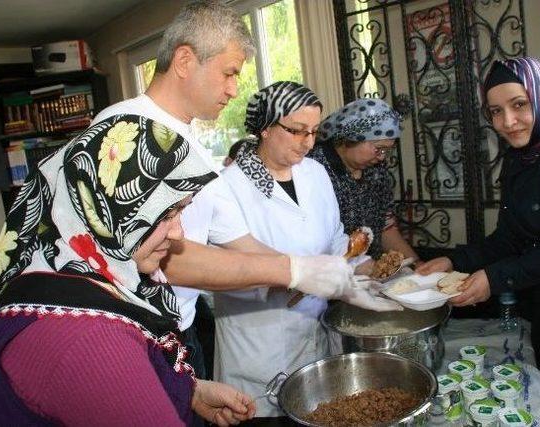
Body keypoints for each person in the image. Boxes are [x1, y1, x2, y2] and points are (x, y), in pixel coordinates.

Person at [92, 0, 361, 381]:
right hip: (135, 335)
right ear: (185, 61)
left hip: (176, 331)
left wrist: (314, 273)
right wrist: (294, 270)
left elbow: (236, 238)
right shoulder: (134, 133)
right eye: (229, 73)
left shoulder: (188, 146)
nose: (235, 89)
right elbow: (162, 259)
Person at [0, 114, 256, 426]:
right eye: (164, 215)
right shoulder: (89, 341)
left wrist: (191, 392)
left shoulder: (66, 276)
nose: (179, 233)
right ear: (107, 213)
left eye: (180, 211)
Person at [416, 56, 540, 425]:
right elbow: (509, 238)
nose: (507, 122)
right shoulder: (518, 160)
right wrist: (454, 261)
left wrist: (494, 279)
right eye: (495, 111)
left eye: (519, 105)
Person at [211, 81, 401, 421]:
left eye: (313, 131)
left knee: (319, 411)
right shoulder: (229, 186)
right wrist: (314, 277)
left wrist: (367, 270)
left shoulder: (314, 174)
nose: (308, 143)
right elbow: (230, 270)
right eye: (297, 131)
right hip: (259, 344)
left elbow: (334, 240)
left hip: (314, 334)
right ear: (266, 128)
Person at [309, 98, 419, 263]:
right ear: (350, 139)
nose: (382, 157)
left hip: (370, 270)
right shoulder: (314, 168)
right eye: (378, 148)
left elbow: (385, 226)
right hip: (330, 272)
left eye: (387, 151)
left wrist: (415, 264)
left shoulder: (377, 170)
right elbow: (313, 240)